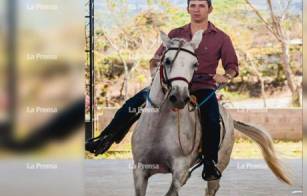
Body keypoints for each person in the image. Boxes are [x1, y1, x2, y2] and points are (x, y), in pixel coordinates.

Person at [86, 0, 239, 181]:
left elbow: (232, 66)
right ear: (188, 9)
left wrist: (226, 76)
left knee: (212, 118)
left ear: (210, 9)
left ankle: (210, 163)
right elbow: (156, 58)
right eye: (193, 5)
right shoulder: (175, 34)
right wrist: (154, 72)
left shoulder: (221, 37)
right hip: (169, 85)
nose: (197, 9)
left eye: (202, 5)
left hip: (201, 86)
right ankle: (105, 139)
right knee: (132, 104)